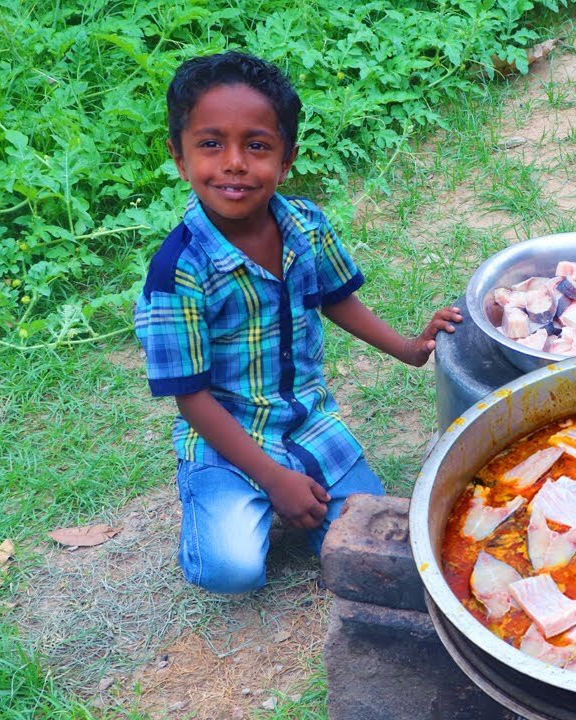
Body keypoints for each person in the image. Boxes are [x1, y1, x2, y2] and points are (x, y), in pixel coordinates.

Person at [134, 51, 461, 593]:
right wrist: (273, 479)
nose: (234, 163)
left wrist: (408, 348)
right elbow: (191, 398)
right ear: (178, 156)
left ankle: (282, 498)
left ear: (287, 159)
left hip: (307, 421)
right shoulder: (179, 272)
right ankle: (225, 499)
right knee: (233, 570)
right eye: (210, 144)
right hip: (225, 435)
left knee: (382, 540)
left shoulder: (306, 227)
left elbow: (335, 299)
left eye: (257, 146)